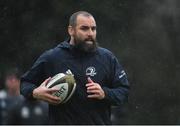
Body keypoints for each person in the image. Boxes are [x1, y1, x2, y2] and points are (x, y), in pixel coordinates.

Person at [20, 11, 130, 125]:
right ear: (71, 30)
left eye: (93, 29)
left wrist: (105, 94)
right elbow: (25, 83)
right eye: (84, 28)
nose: (90, 33)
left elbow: (123, 91)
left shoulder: (107, 58)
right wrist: (35, 92)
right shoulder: (52, 57)